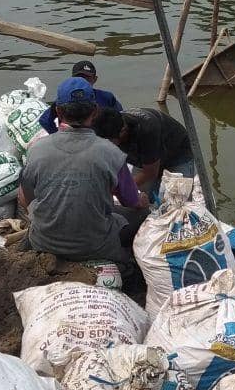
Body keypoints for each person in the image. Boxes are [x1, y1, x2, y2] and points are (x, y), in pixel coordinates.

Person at [17, 77, 148, 265]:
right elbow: (131, 201)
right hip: (96, 245)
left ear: (58, 111)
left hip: (44, 242)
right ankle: (127, 266)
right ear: (94, 111)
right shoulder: (111, 152)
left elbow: (25, 198)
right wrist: (142, 201)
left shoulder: (37, 149)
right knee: (141, 215)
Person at [93, 107, 194, 199]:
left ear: (123, 131)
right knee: (140, 197)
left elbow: (150, 173)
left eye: (109, 141)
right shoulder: (107, 126)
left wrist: (119, 190)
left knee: (178, 200)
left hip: (176, 153)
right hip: (142, 158)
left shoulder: (147, 130)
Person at [38, 61, 123, 134]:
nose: (83, 81)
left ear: (95, 79)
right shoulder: (66, 99)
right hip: (70, 140)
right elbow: (45, 120)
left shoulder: (106, 97)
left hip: (98, 139)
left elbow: (121, 116)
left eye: (87, 78)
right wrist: (56, 136)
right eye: (80, 77)